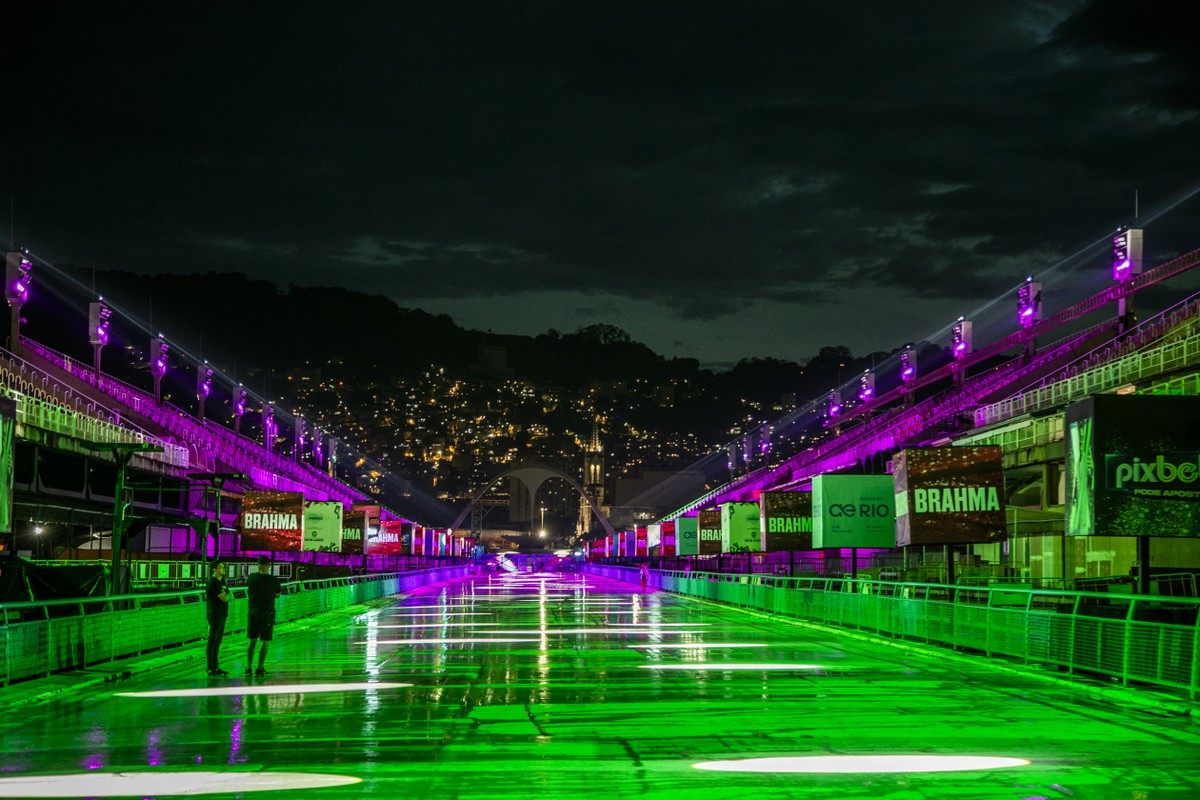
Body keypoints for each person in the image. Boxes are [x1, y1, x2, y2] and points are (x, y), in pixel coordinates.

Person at [245, 556, 282, 677]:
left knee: (252, 640)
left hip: (253, 612)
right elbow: (277, 594)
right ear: (269, 566)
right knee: (265, 641)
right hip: (267, 613)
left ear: (258, 565)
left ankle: (248, 668)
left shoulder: (251, 578)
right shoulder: (274, 580)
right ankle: (260, 668)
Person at [205, 561, 230, 676]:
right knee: (213, 640)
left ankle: (216, 666)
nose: (223, 569)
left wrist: (226, 595)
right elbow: (225, 597)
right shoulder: (213, 582)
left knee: (218, 641)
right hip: (215, 614)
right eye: (221, 567)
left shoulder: (222, 582)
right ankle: (210, 667)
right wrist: (225, 595)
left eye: (224, 567)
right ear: (214, 569)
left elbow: (229, 595)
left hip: (223, 614)